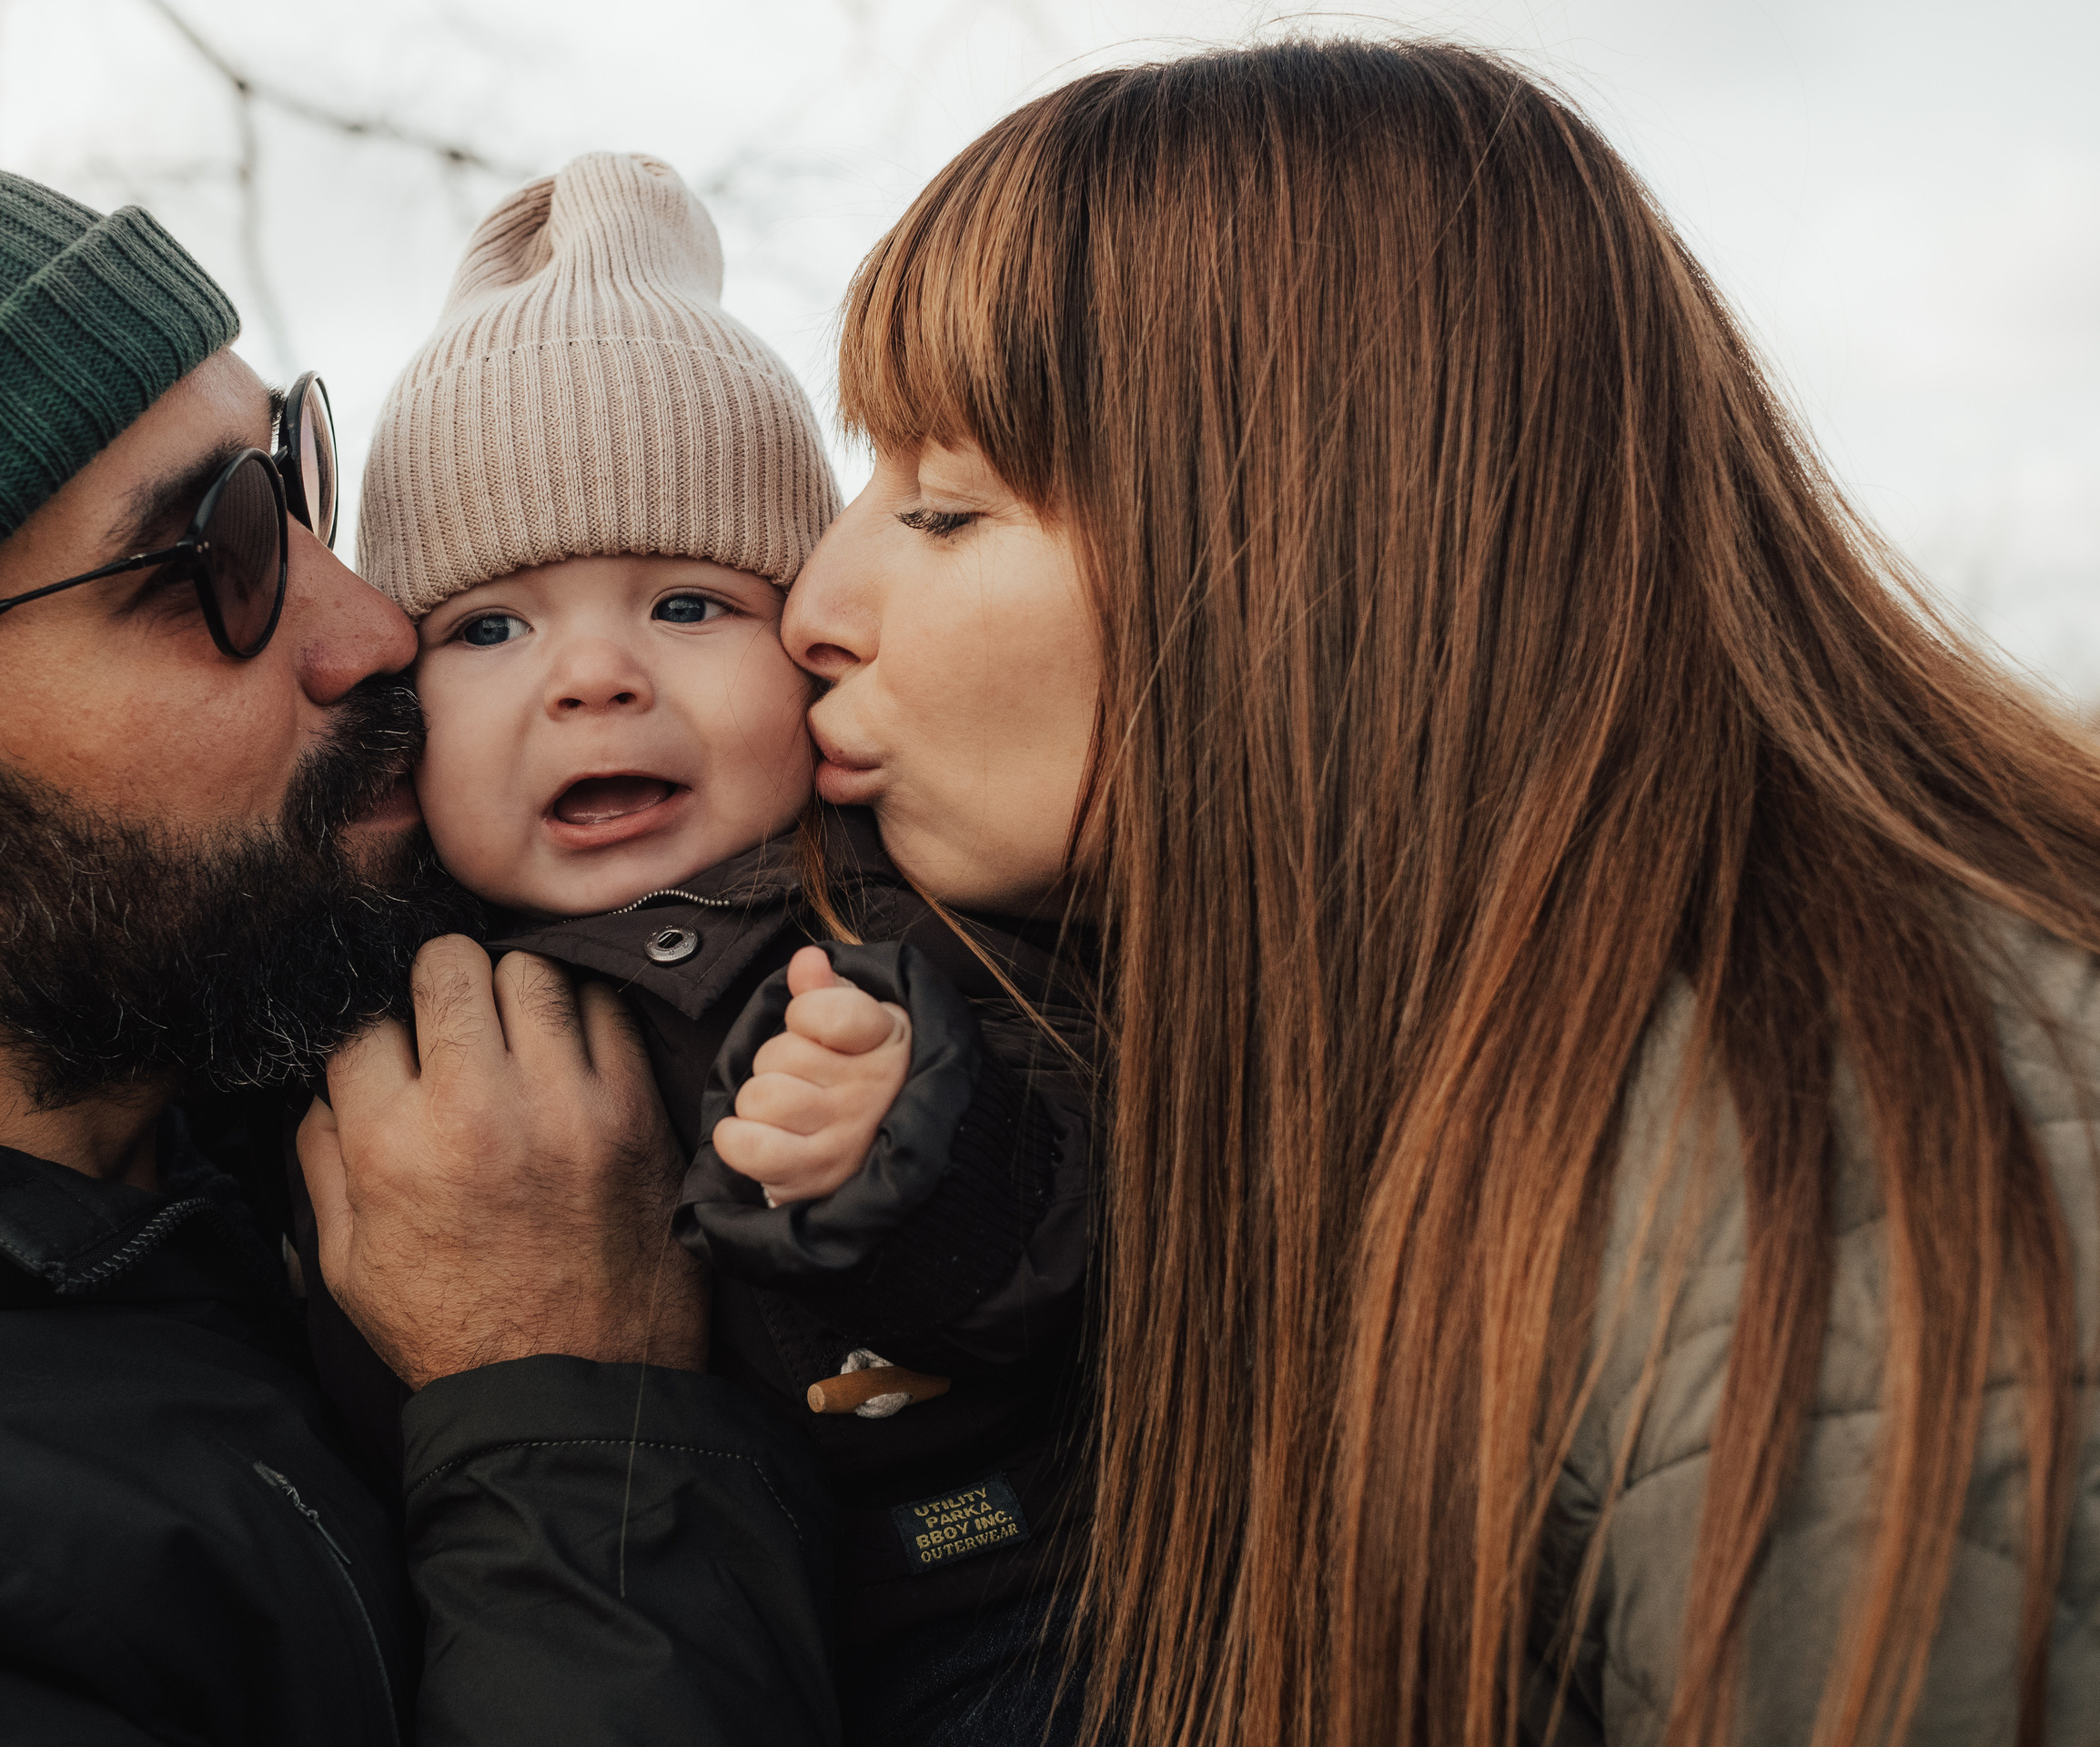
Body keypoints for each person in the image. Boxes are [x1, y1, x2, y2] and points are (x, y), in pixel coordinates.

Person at [771, 36, 2100, 1747]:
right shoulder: (1345, 1054)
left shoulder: (1844, 1187)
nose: (816, 598)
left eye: (944, 506)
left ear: (1305, 536)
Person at [0, 157, 835, 1743]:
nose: (377, 628)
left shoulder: (289, 1090)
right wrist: (568, 1410)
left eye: (297, 476)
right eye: (221, 559)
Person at [318, 150, 1095, 1742]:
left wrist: (915, 1149)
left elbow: (1126, 1205)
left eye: (687, 605)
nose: (595, 676)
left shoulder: (902, 915)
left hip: (1006, 1603)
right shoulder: (363, 987)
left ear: (805, 638)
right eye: (489, 628)